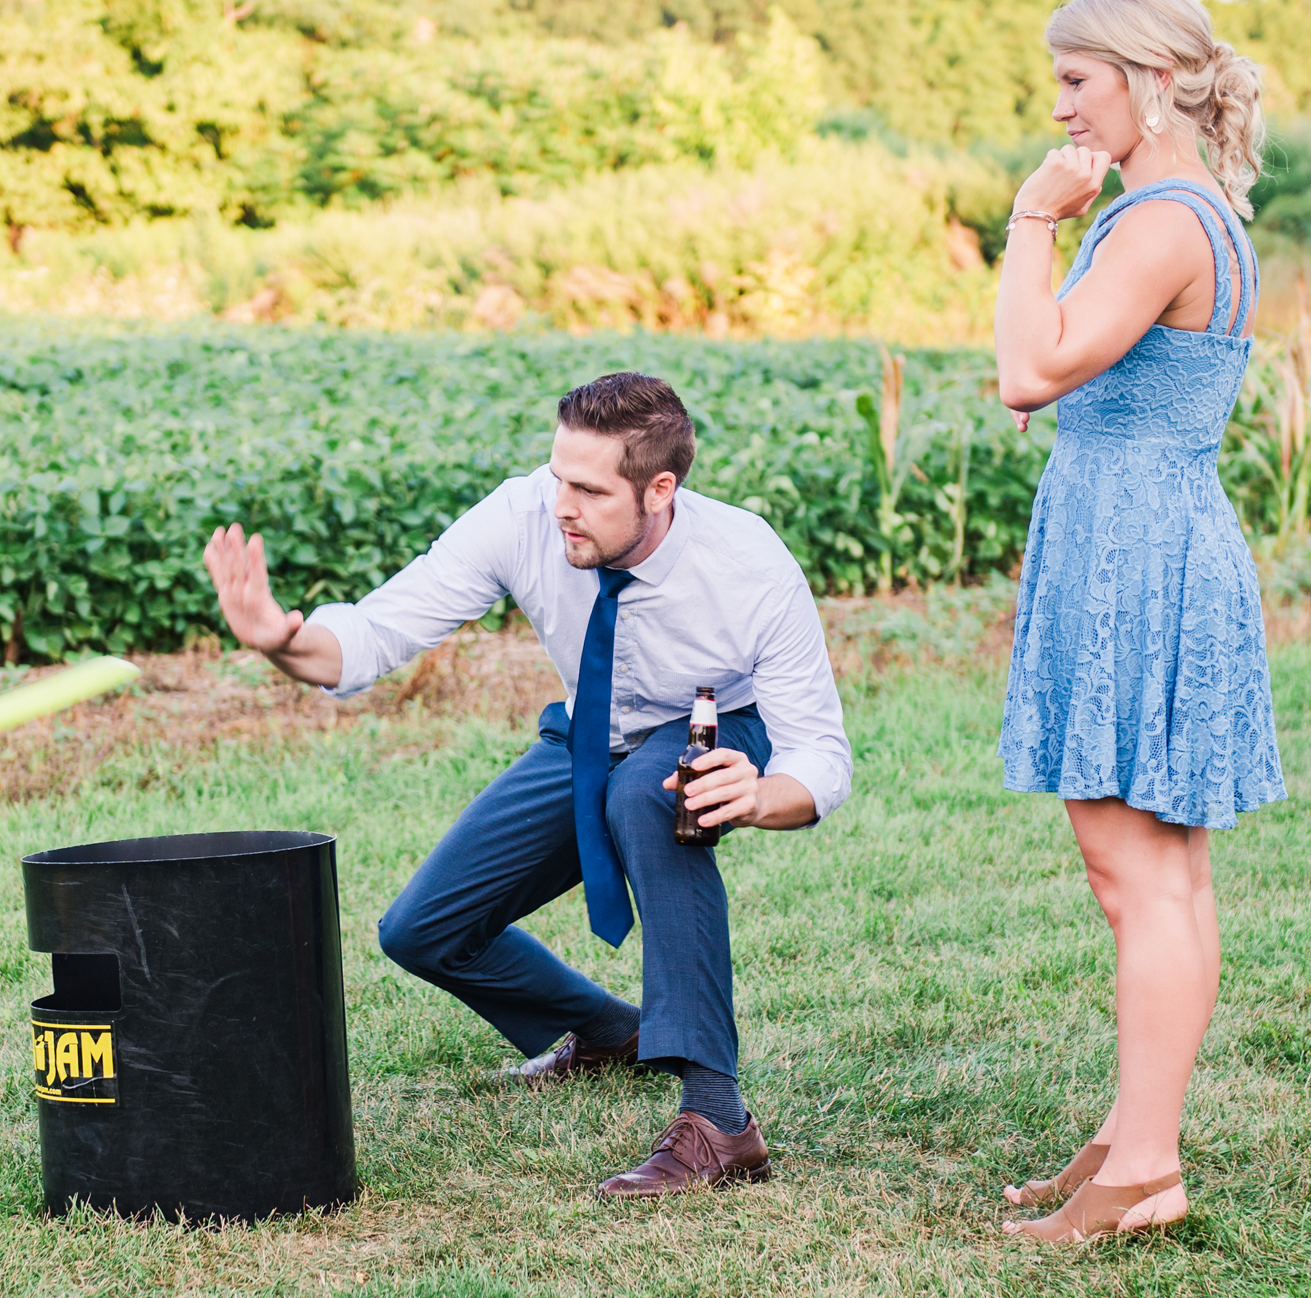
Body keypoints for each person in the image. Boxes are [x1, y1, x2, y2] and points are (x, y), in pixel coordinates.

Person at [200, 372, 853, 1199]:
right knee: (421, 930)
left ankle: (720, 1121)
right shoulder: (523, 516)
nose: (561, 506)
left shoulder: (748, 563)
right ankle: (610, 1030)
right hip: (588, 735)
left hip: (714, 727)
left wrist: (763, 795)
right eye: (557, 478)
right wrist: (281, 642)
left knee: (647, 795)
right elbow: (377, 631)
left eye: (587, 489)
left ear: (660, 490)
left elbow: (822, 753)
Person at [990, 0, 1285, 1242]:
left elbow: (1029, 371)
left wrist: (1026, 225)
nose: (1060, 106)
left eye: (1077, 79)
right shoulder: (1187, 207)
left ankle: (1146, 1172)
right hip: (1142, 532)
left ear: (1150, 81)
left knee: (1139, 876)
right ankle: (1132, 1130)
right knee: (1161, 873)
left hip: (1137, 546)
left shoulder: (1162, 217)